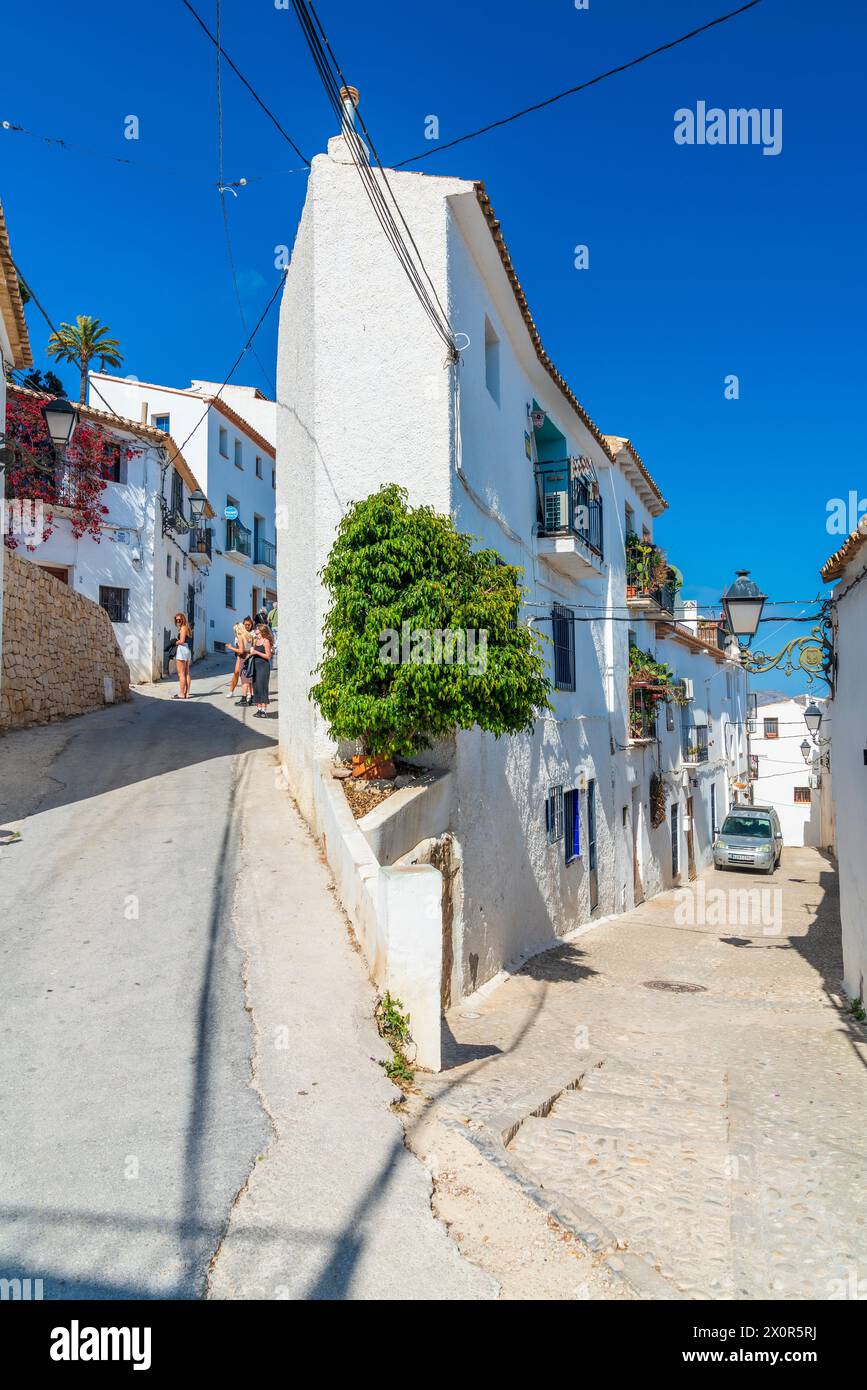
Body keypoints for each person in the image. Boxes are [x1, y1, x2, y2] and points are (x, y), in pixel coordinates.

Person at [227, 616, 255, 703]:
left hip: (244, 656)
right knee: (240, 674)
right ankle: (232, 691)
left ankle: (245, 697)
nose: (247, 626)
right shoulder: (246, 634)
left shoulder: (246, 634)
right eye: (245, 625)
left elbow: (242, 649)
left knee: (245, 677)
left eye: (249, 625)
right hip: (244, 656)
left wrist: (230, 648)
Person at [249, 623, 273, 717]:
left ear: (261, 631)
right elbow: (253, 652)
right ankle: (259, 709)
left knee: (262, 687)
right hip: (255, 666)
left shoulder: (265, 641)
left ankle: (264, 711)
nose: (255, 630)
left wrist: (256, 652)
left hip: (263, 667)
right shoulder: (255, 641)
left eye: (257, 629)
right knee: (256, 687)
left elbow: (268, 656)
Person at [172, 612, 193, 700]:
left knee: (181, 674)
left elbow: (181, 641)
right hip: (187, 649)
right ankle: (187, 693)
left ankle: (181, 693)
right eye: (177, 620)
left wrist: (174, 642)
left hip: (182, 650)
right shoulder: (186, 628)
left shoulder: (183, 628)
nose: (178, 621)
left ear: (183, 619)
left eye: (180, 619)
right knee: (187, 672)